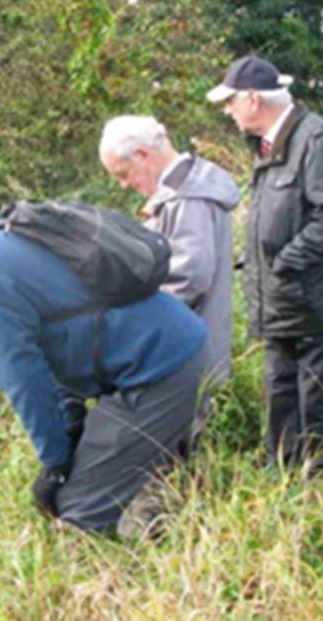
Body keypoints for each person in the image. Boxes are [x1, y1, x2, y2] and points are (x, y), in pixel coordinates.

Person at [0, 192, 208, 534]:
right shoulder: (12, 237)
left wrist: (55, 463)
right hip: (172, 348)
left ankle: (106, 580)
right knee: (125, 483)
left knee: (80, 509)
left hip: (158, 368)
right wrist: (70, 428)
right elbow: (57, 346)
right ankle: (174, 530)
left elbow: (21, 373)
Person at [207, 55, 323, 475]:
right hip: (285, 307)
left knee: (316, 412)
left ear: (252, 99)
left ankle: (316, 499)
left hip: (319, 307)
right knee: (280, 399)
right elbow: (284, 216)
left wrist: (285, 262)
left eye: (230, 102)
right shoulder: (271, 145)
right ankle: (279, 488)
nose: (228, 111)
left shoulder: (317, 140)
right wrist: (259, 260)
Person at [99, 115, 240, 437]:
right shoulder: (182, 191)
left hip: (184, 353)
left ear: (143, 155)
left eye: (124, 173)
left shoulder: (188, 199)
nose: (123, 184)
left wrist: (134, 321)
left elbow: (187, 278)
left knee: (178, 452)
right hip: (186, 348)